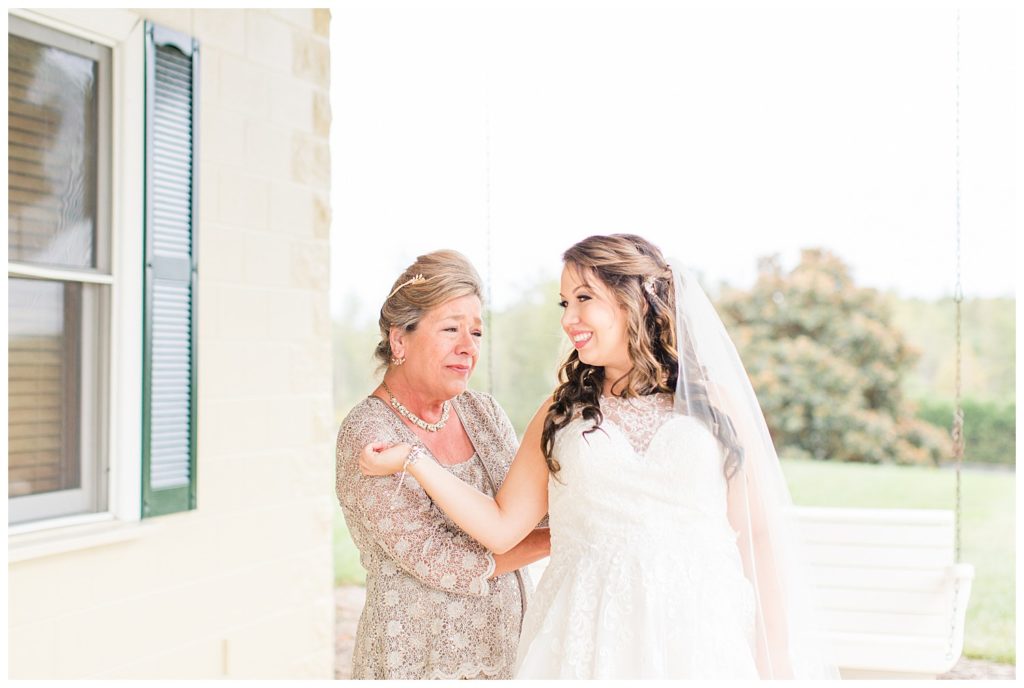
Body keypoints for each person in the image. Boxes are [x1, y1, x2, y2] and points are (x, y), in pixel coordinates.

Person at [360, 234, 838, 679]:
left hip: (696, 630)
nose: (569, 319)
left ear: (637, 300)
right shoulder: (559, 412)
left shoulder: (712, 404)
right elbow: (502, 526)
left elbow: (757, 533)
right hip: (585, 634)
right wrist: (415, 460)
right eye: (565, 303)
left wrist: (775, 655)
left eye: (584, 299)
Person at [335, 249, 550, 680]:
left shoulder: (482, 412)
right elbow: (443, 561)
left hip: (507, 652)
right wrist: (569, 537)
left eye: (476, 332)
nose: (467, 348)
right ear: (400, 340)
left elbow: (525, 512)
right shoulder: (368, 434)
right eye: (450, 329)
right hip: (418, 659)